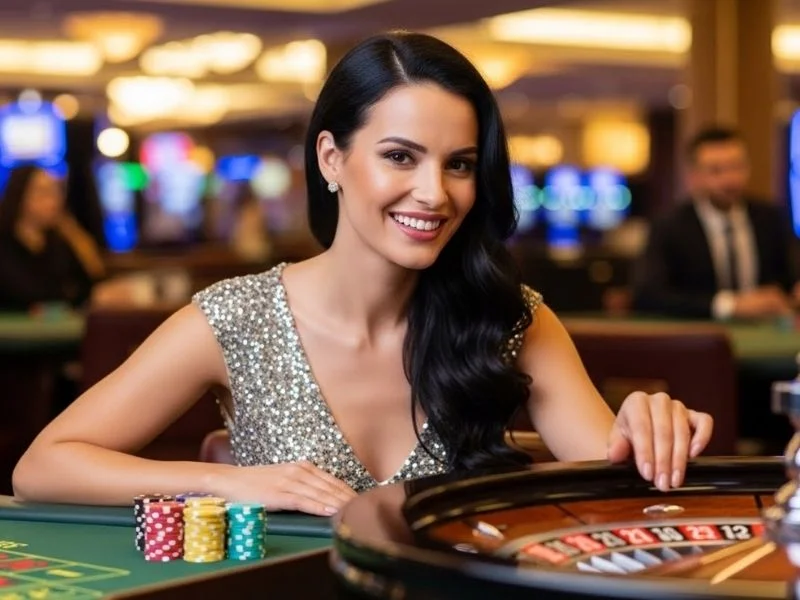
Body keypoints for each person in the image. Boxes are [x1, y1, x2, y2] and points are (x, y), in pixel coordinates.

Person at [13, 32, 713, 514]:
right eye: (401, 157)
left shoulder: (510, 318)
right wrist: (229, 484)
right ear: (331, 159)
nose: (435, 193)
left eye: (459, 164)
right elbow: (43, 467)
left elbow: (617, 486)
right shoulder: (236, 318)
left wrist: (648, 427)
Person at [632, 126, 799, 320]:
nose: (729, 179)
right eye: (716, 170)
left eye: (737, 167)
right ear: (694, 177)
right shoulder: (669, 227)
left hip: (769, 338)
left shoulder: (771, 218)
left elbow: (791, 276)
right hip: (699, 340)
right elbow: (648, 296)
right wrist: (730, 305)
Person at [0, 165, 106, 311]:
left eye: (57, 191)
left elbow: (88, 287)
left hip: (64, 332)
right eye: (44, 192)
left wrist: (75, 236)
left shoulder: (61, 242)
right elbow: (23, 296)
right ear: (19, 194)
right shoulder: (5, 246)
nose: (55, 200)